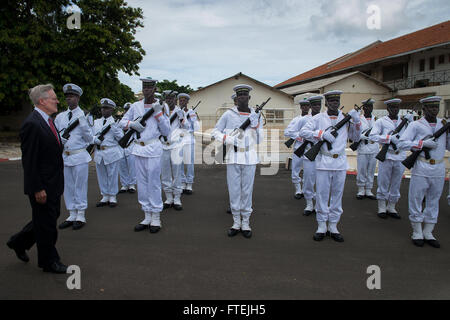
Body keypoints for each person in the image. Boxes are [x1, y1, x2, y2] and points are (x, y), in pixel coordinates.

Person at [7, 84, 67, 273]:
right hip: (42, 185)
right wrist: (37, 188)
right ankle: (49, 261)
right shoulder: (32, 124)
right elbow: (30, 161)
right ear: (42, 101)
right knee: (47, 224)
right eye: (53, 98)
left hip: (53, 182)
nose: (57, 100)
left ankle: (18, 241)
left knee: (47, 219)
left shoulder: (48, 120)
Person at [300, 90, 361, 242]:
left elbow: (355, 137)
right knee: (321, 194)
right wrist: (321, 134)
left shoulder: (347, 119)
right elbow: (303, 132)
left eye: (337, 100)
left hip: (340, 162)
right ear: (326, 103)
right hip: (323, 162)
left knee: (337, 195)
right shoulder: (318, 118)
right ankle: (321, 225)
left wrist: (357, 122)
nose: (335, 103)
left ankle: (333, 225)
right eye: (332, 101)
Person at [212, 84, 264, 239]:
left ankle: (246, 222)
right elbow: (215, 131)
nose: (242, 97)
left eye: (245, 95)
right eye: (239, 95)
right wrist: (227, 138)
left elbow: (260, 139)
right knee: (234, 190)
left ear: (249, 97)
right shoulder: (228, 114)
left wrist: (255, 126)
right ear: (236, 98)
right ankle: (236, 222)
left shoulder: (256, 115)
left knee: (247, 191)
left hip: (249, 156)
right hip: (233, 156)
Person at [119, 77, 170, 234]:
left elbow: (167, 131)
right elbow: (122, 121)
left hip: (153, 148)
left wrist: (158, 114)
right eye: (144, 88)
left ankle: (156, 217)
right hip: (138, 149)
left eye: (149, 88)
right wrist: (131, 124)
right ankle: (146, 215)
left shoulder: (162, 106)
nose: (146, 90)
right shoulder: (135, 106)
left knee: (153, 183)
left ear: (155, 89)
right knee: (141, 184)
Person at [398, 96, 449, 248]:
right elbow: (402, 143)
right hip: (421, 166)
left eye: (436, 107)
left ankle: (429, 232)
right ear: (424, 109)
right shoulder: (415, 125)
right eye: (430, 107)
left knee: (434, 200)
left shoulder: (444, 124)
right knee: (416, 198)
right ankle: (417, 231)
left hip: (438, 167)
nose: (434, 110)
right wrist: (421, 144)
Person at [55, 84, 93, 230]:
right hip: (65, 156)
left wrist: (84, 128)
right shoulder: (60, 117)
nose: (69, 99)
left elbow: (90, 139)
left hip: (79, 156)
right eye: (67, 97)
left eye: (72, 96)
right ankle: (71, 213)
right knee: (68, 186)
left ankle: (81, 214)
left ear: (78, 98)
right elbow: (56, 134)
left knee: (80, 186)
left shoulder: (85, 117)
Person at [369, 99, 413, 219]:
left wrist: (411, 122)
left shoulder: (405, 122)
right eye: (392, 108)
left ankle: (392, 206)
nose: (395, 110)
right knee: (383, 181)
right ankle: (382, 206)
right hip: (387, 155)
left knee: (396, 183)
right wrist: (388, 138)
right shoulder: (382, 121)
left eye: (396, 107)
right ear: (388, 109)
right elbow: (373, 136)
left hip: (400, 156)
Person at [93, 98, 124, 208]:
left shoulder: (116, 123)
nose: (104, 110)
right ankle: (105, 195)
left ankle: (112, 196)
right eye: (102, 108)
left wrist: (116, 130)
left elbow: (121, 138)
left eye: (106, 108)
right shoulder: (96, 122)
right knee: (101, 175)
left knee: (112, 175)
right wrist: (94, 139)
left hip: (111, 151)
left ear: (112, 110)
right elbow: (90, 135)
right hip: (99, 152)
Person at [160, 90, 186, 211]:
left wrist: (182, 119)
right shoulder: (160, 111)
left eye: (171, 98)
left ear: (175, 100)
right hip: (163, 146)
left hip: (176, 146)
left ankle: (177, 198)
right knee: (165, 173)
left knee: (176, 173)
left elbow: (186, 128)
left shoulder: (180, 112)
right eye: (167, 98)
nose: (169, 100)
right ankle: (168, 197)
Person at [284, 99, 310, 199]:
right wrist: (299, 136)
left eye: (307, 106)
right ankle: (298, 189)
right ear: (300, 107)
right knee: (295, 169)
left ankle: (305, 189)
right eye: (303, 106)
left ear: (309, 107)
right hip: (298, 147)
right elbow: (287, 132)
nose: (305, 108)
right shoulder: (296, 120)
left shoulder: (313, 119)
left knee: (308, 171)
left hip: (309, 148)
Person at [302, 95, 323, 215]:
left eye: (318, 105)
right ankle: (309, 203)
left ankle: (319, 203)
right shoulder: (304, 119)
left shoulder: (324, 118)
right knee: (308, 179)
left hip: (322, 154)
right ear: (310, 106)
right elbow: (299, 132)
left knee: (321, 180)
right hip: (309, 151)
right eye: (314, 105)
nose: (316, 107)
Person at [355, 99, 378, 200]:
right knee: (362, 170)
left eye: (371, 107)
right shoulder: (358, 119)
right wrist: (361, 137)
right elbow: (354, 134)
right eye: (367, 107)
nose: (369, 108)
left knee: (371, 170)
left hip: (374, 148)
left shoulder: (377, 119)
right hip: (363, 148)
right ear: (363, 108)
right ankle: (361, 189)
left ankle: (369, 189)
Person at [179, 93, 200, 195]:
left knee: (190, 163)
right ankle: (182, 182)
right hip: (179, 140)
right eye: (180, 100)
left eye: (184, 100)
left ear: (187, 102)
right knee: (180, 163)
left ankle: (189, 183)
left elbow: (196, 128)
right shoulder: (177, 112)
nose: (182, 102)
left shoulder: (192, 113)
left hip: (189, 139)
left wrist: (192, 118)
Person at [118, 102, 137, 194]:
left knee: (132, 166)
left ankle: (132, 184)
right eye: (125, 110)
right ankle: (124, 184)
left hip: (131, 146)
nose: (126, 112)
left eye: (128, 110)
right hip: (121, 147)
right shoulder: (119, 122)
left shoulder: (134, 123)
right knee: (122, 166)